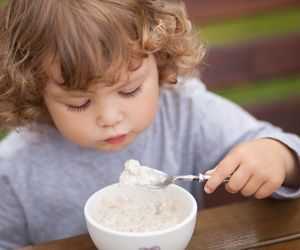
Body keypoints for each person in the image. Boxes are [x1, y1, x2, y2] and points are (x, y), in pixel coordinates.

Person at [0, 0, 299, 249]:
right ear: (35, 91)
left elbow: (285, 149)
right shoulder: (14, 169)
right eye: (79, 103)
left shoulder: (183, 110)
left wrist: (277, 156)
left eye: (129, 91)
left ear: (159, 60)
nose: (110, 117)